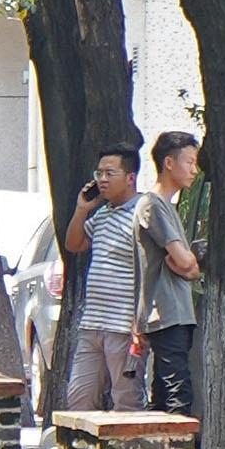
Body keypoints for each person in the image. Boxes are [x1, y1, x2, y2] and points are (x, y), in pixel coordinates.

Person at [58, 142, 151, 411]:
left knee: (126, 399)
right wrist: (82, 209)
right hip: (93, 322)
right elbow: (74, 244)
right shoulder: (102, 215)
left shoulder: (143, 212)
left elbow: (151, 268)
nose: (102, 180)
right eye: (99, 173)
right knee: (79, 397)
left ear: (130, 177)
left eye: (110, 173)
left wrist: (141, 320)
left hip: (124, 326)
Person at [141, 130, 204, 412]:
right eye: (189, 162)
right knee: (177, 396)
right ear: (169, 163)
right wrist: (189, 266)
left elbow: (188, 267)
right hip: (166, 313)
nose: (194, 169)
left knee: (165, 394)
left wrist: (189, 268)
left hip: (176, 312)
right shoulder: (153, 205)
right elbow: (185, 260)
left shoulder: (167, 206)